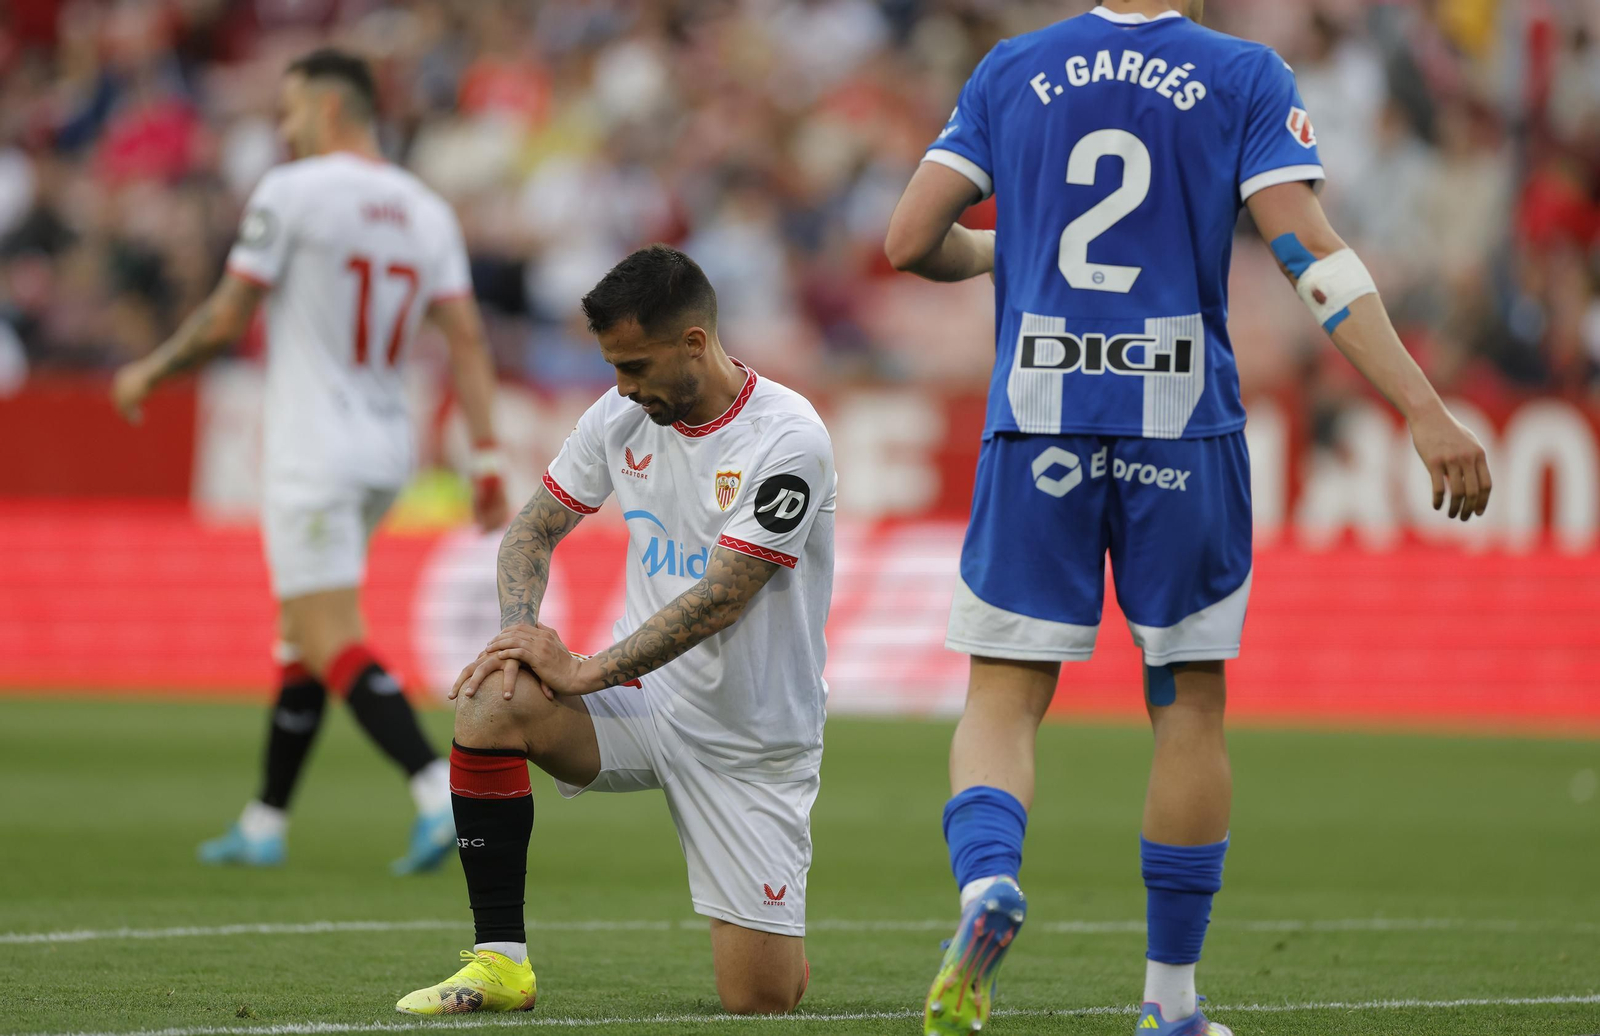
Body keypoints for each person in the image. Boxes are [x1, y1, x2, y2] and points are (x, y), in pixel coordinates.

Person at [883, 2, 1492, 1034]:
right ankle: (1169, 1003)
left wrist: (1004, 249)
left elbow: (906, 240)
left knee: (1004, 696)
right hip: (1179, 424)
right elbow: (1310, 255)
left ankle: (987, 881)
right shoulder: (1242, 74)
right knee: (1188, 705)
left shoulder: (1012, 69)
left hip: (1038, 416)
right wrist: (1424, 407)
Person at [395, 245, 836, 1016]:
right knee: (493, 701)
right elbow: (531, 531)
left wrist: (584, 669)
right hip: (644, 701)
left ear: (694, 343)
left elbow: (722, 598)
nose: (623, 386)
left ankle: (776, 942)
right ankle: (502, 964)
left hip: (751, 740)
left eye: (635, 365)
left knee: (759, 1001)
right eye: (613, 367)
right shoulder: (620, 415)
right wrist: (518, 636)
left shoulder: (788, 438)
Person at [111, 48, 509, 874]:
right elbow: (466, 339)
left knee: (328, 633)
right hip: (385, 449)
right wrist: (486, 459)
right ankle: (265, 822)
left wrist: (149, 371)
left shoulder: (292, 191)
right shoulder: (426, 210)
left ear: (328, 110)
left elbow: (227, 319)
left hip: (313, 448)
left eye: (290, 110)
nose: (283, 126)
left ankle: (437, 791)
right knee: (301, 631)